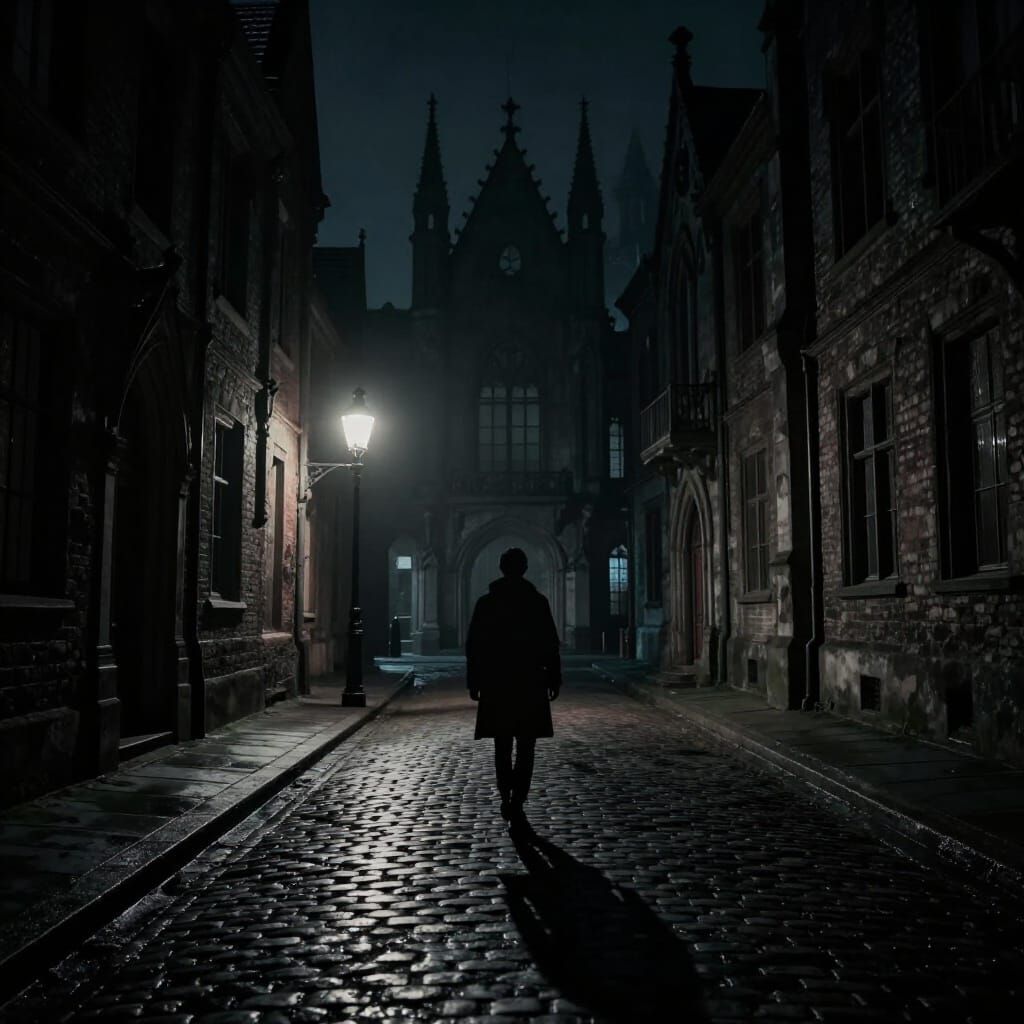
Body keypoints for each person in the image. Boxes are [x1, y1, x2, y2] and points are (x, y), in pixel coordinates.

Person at [466, 547, 561, 830]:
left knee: (502, 743)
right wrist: (554, 678)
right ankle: (518, 797)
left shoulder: (487, 603)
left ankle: (506, 793)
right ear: (524, 569)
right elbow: (550, 644)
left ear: (501, 568)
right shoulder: (537, 602)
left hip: (497, 681)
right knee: (526, 744)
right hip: (529, 681)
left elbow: (474, 646)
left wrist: (475, 681)